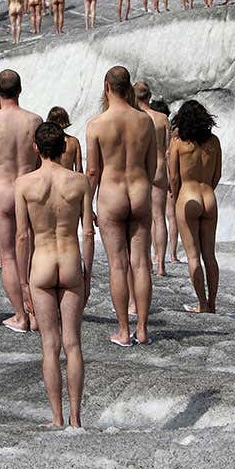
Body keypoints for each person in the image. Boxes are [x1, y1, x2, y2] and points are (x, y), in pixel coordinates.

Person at [15, 121, 94, 426]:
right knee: (73, 344)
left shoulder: (25, 184)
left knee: (50, 345)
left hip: (42, 265)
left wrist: (23, 281)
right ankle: (76, 418)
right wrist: (87, 275)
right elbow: (88, 233)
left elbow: (22, 236)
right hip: (71, 261)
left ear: (36, 148)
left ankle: (57, 417)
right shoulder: (79, 182)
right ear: (64, 148)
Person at [87, 66, 156, 345]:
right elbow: (152, 166)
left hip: (111, 194)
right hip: (139, 192)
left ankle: (124, 331)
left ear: (107, 86)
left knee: (118, 265)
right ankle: (143, 329)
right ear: (128, 87)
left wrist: (87, 203)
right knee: (141, 264)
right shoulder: (145, 121)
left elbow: (93, 171)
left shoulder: (97, 124)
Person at [0, 70, 43, 332]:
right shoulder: (34, 121)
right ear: (20, 89)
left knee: (8, 256)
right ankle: (36, 314)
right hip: (29, 191)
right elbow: (41, 160)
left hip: (3, 190)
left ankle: (20, 315)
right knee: (32, 253)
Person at [168, 99, 222, 316]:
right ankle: (212, 303)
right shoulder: (214, 142)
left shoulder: (178, 142)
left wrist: (176, 197)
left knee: (193, 256)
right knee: (210, 256)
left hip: (187, 195)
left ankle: (202, 303)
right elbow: (217, 174)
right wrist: (208, 188)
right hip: (208, 196)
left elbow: (174, 177)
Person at [134, 83, 171, 277]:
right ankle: (161, 265)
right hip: (160, 168)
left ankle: (146, 260)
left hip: (141, 168)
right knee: (159, 216)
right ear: (149, 97)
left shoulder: (134, 117)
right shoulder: (162, 118)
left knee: (144, 217)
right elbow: (169, 149)